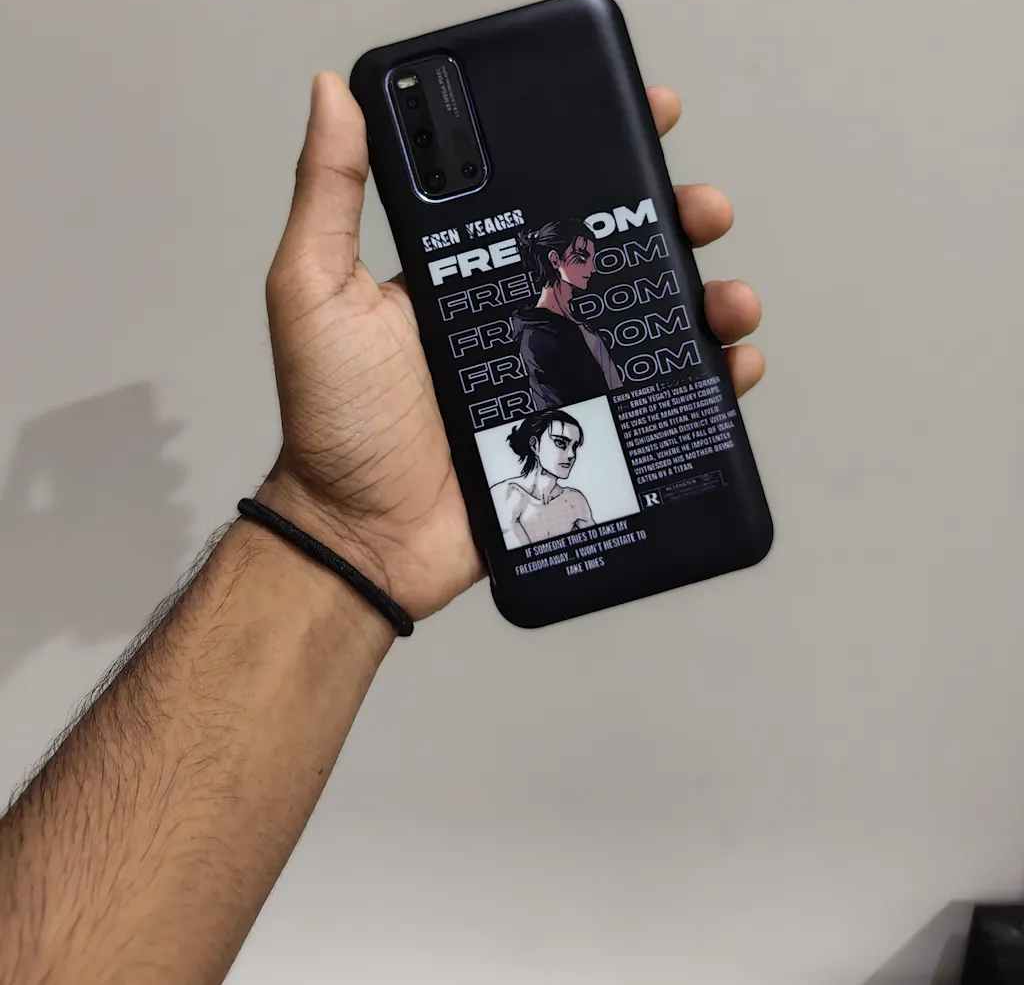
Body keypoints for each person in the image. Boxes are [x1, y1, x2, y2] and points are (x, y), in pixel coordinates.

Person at [0, 72, 764, 985]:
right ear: (557, 260)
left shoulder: (578, 331)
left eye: (599, 252)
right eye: (583, 252)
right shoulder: (537, 336)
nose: (596, 262)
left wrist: (339, 533)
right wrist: (341, 525)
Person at [513, 219, 623, 409]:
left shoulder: (571, 320)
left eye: (592, 259)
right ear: (555, 259)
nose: (592, 268)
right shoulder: (538, 334)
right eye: (581, 258)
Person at [490, 408, 592, 548]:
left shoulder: (574, 499)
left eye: (574, 447)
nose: (571, 455)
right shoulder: (507, 494)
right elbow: (522, 555)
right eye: (561, 443)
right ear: (535, 445)